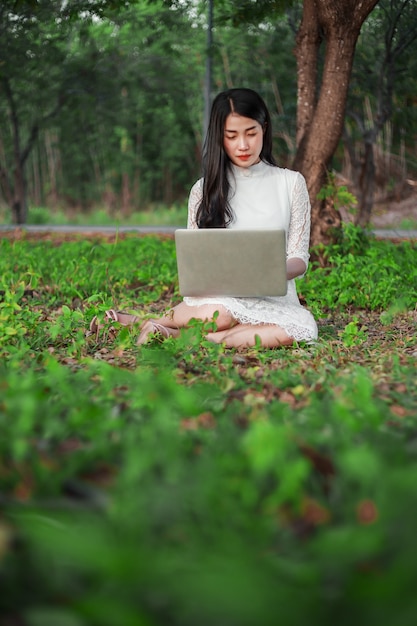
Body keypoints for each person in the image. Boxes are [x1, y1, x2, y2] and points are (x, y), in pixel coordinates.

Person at [97, 88, 318, 348]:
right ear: (219, 138)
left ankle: (175, 334)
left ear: (265, 130)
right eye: (232, 136)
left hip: (273, 300)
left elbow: (298, 259)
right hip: (216, 300)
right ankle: (152, 323)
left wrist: (266, 272)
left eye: (251, 133)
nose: (243, 145)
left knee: (302, 328)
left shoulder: (290, 183)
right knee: (222, 313)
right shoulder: (203, 190)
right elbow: (196, 265)